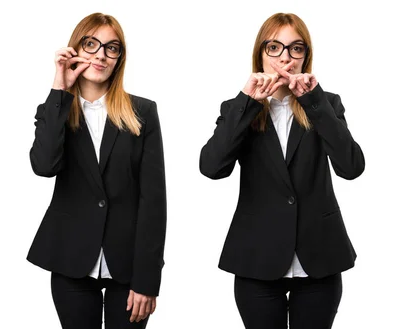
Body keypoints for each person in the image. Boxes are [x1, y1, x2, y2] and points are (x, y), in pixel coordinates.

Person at [200, 12, 365, 329]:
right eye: (274, 48)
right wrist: (248, 102)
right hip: (256, 259)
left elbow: (351, 167)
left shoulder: (326, 104)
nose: (285, 58)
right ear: (260, 54)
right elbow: (211, 167)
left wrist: (314, 101)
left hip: (319, 257)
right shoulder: (237, 108)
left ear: (306, 57)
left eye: (295, 49)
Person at [27, 12, 167, 329]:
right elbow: (44, 166)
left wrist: (148, 278)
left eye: (111, 48)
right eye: (91, 44)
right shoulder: (54, 110)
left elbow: (153, 200)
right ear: (75, 49)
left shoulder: (143, 112)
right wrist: (59, 89)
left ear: (119, 58)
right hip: (70, 258)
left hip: (129, 265)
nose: (101, 55)